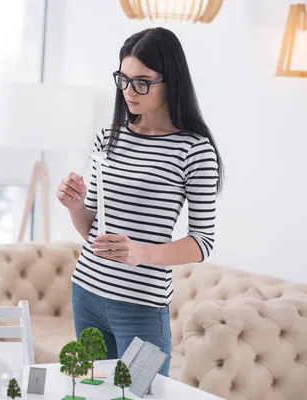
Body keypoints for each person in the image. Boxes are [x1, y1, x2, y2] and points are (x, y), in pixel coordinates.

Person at [56, 27, 223, 376]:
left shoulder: (194, 151)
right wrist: (75, 206)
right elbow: (95, 232)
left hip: (142, 305)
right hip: (86, 291)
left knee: (143, 395)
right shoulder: (109, 136)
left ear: (171, 81)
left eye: (142, 82)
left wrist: (144, 253)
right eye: (124, 79)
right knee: (89, 391)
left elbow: (202, 242)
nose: (129, 92)